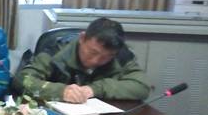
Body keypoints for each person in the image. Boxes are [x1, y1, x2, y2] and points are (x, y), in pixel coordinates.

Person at [13, 17, 150, 103]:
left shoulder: (120, 55)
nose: (95, 61)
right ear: (82, 38)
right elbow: (21, 80)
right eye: (93, 52)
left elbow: (141, 87)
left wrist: (95, 89)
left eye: (106, 57)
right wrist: (61, 91)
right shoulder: (57, 51)